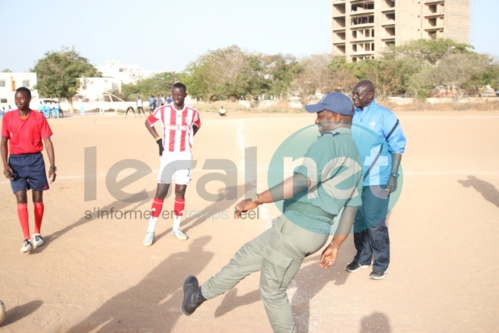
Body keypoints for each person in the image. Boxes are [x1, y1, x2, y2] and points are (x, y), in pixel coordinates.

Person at [181, 92, 363, 332]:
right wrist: (336, 244)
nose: (316, 121)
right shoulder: (355, 153)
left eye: (321, 116)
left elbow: (301, 182)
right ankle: (197, 296)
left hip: (299, 230)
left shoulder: (329, 142)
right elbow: (351, 207)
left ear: (337, 116)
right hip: (292, 228)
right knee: (243, 258)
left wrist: (257, 200)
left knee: (272, 292)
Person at [345, 79, 407, 280]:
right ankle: (362, 257)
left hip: (378, 178)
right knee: (358, 219)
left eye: (358, 94)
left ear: (370, 95)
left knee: (374, 222)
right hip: (355, 178)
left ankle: (381, 262)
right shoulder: (351, 115)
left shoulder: (385, 116)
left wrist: (394, 175)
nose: (354, 97)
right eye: (353, 93)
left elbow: (397, 147)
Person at [143, 82, 201, 246]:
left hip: (184, 155)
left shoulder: (192, 113)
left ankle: (176, 228)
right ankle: (150, 231)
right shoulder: (163, 110)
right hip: (168, 155)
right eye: (174, 94)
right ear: (172, 94)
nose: (177, 97)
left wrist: (189, 137)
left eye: (180, 94)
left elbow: (197, 125)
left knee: (181, 191)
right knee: (161, 192)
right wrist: (158, 140)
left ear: (185, 95)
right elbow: (148, 123)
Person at [1, 87, 56, 254]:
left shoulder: (38, 117)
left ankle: (37, 233)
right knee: (20, 197)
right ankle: (26, 239)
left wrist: (52, 165)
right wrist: (5, 165)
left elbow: (47, 142)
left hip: (35, 161)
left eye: (21, 98)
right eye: (16, 98)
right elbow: (3, 142)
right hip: (16, 162)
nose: (18, 101)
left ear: (29, 99)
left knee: (37, 197)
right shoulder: (8, 117)